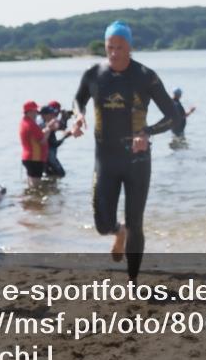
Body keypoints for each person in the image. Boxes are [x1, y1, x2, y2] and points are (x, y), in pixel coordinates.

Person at [71, 20, 180, 280]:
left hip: (137, 161)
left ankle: (133, 280)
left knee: (136, 223)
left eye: (120, 47)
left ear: (130, 47)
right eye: (110, 47)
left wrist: (148, 132)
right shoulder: (94, 73)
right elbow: (78, 99)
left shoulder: (145, 76)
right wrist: (78, 116)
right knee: (102, 224)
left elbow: (173, 116)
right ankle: (117, 233)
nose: (114, 53)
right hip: (105, 160)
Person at [20, 100, 55, 187]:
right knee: (36, 185)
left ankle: (30, 195)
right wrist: (49, 129)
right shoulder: (31, 125)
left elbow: (37, 136)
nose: (37, 113)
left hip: (29, 157)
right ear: (29, 112)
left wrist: (47, 128)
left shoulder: (24, 122)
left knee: (32, 184)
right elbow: (42, 141)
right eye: (35, 111)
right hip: (35, 158)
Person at [40, 104, 68, 177]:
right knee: (61, 174)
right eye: (51, 114)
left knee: (50, 176)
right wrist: (64, 137)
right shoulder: (45, 126)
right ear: (44, 115)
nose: (54, 116)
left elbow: (61, 126)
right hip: (48, 157)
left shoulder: (44, 123)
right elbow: (54, 144)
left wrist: (65, 118)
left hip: (45, 157)